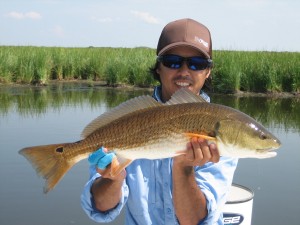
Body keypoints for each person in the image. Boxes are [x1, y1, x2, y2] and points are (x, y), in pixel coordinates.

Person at [81, 18, 238, 225]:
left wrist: (183, 167)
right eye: (173, 61)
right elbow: (101, 208)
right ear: (158, 68)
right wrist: (113, 178)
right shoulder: (127, 122)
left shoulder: (221, 127)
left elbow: (195, 221)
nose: (184, 71)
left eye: (196, 64)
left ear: (208, 72)